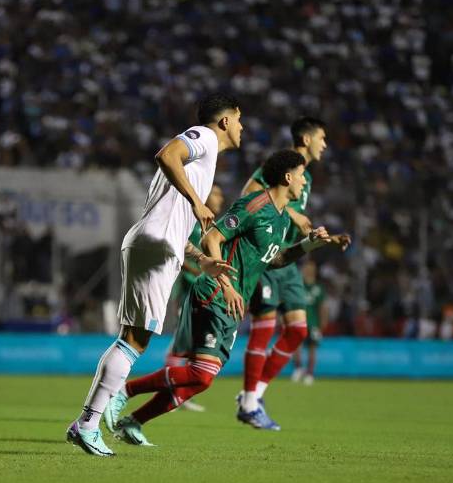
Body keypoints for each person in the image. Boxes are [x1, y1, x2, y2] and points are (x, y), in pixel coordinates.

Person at [104, 150, 330, 446]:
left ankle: (133, 422)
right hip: (215, 293)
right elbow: (212, 237)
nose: (304, 181)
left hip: (234, 303)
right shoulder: (255, 204)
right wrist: (224, 282)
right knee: (201, 373)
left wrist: (308, 245)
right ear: (288, 177)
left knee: (201, 380)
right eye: (301, 175)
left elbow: (274, 260)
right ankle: (122, 392)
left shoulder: (279, 216)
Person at [67, 93, 243, 456]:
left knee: (132, 338)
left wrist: (201, 259)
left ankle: (87, 423)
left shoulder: (203, 163)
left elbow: (171, 220)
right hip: (155, 246)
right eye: (240, 120)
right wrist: (197, 201)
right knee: (133, 342)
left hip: (156, 243)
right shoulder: (204, 137)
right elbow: (166, 154)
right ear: (225, 120)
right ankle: (87, 424)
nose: (243, 128)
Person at [237, 117, 350, 430]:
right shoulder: (280, 165)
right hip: (267, 256)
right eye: (322, 138)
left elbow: (292, 217)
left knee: (298, 330)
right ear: (305, 138)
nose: (325, 144)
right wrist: (294, 213)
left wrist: (325, 238)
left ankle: (255, 395)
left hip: (289, 259)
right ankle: (248, 401)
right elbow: (250, 197)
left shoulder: (306, 177)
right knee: (264, 327)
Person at [166, 183, 226, 412]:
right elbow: (178, 250)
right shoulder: (193, 223)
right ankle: (172, 387)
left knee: (193, 343)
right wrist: (201, 270)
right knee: (183, 342)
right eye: (216, 193)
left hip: (204, 293)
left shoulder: (213, 227)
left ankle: (181, 392)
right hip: (189, 293)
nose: (220, 198)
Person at [290, 260, 327, 385]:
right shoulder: (298, 286)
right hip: (298, 321)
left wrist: (322, 324)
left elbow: (322, 308)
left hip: (313, 323)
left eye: (310, 268)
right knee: (296, 347)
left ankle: (310, 373)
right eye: (306, 268)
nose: (307, 271)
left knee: (312, 349)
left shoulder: (318, 288)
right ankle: (298, 368)